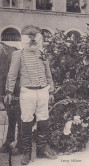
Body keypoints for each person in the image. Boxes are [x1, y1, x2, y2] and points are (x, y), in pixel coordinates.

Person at [4, 25, 57, 165]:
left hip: (43, 91)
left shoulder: (42, 53)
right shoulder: (18, 54)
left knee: (43, 118)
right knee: (26, 119)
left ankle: (41, 150)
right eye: (29, 37)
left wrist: (50, 91)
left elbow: (48, 74)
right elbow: (12, 75)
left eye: (35, 37)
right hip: (27, 92)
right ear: (24, 39)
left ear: (39, 39)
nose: (32, 40)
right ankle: (27, 153)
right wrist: (9, 91)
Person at [0, 44, 22, 155]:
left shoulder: (2, 51)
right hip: (10, 87)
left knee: (19, 116)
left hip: (16, 87)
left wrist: (3, 94)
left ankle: (20, 144)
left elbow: (3, 75)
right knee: (11, 116)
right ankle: (9, 142)